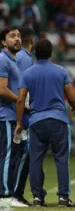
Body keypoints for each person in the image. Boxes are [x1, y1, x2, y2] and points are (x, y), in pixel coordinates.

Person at [15, 39, 75, 207]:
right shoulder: (61, 71)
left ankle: (38, 197)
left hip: (36, 121)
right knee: (61, 159)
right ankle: (63, 198)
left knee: (36, 160)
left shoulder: (28, 73)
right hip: (58, 120)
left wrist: (18, 122)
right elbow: (70, 94)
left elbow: (21, 99)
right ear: (51, 53)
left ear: (35, 53)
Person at [0, 27, 27, 208]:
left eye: (18, 36)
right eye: (12, 36)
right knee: (8, 154)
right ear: (3, 42)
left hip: (10, 114)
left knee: (12, 154)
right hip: (5, 115)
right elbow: (1, 89)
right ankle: (5, 194)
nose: (17, 39)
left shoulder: (13, 60)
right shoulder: (3, 60)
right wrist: (21, 101)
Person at [14, 27, 35, 206]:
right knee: (24, 153)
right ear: (32, 41)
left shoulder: (14, 56)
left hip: (11, 109)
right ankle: (16, 193)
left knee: (13, 153)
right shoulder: (26, 59)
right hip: (20, 111)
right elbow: (23, 88)